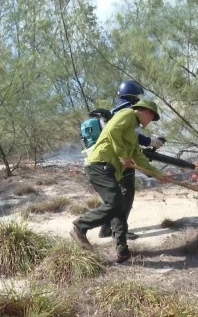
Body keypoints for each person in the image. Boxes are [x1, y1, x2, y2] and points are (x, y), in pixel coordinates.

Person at [70, 99, 170, 263]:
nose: (150, 122)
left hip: (110, 171)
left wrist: (157, 173)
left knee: (119, 206)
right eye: (152, 118)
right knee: (116, 203)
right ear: (147, 112)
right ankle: (79, 227)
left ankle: (122, 252)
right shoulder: (128, 114)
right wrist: (123, 154)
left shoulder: (132, 131)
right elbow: (112, 131)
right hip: (100, 165)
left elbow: (138, 156)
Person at [98, 81, 165, 240]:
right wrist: (150, 142)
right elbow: (133, 135)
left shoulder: (114, 110)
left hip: (109, 158)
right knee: (126, 193)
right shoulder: (128, 111)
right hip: (121, 159)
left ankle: (106, 229)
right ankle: (120, 231)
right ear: (135, 96)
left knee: (114, 195)